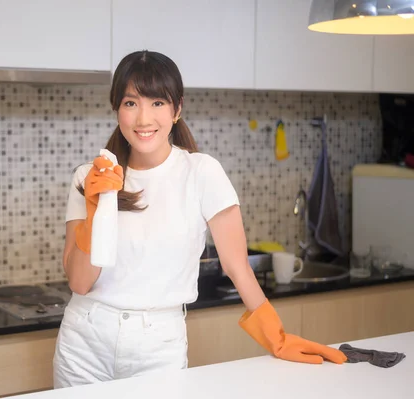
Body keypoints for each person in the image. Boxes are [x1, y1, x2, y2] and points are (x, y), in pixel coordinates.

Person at [53, 50, 346, 389]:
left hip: (158, 348)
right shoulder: (90, 176)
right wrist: (97, 208)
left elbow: (237, 266)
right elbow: (79, 282)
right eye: (131, 103)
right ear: (117, 107)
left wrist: (275, 337)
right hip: (83, 346)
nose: (143, 118)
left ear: (177, 109)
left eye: (157, 103)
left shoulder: (202, 172)